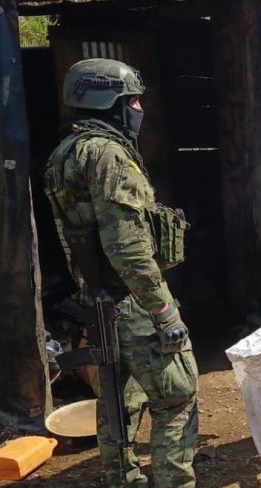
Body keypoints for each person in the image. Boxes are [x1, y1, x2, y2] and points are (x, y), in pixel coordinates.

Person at [44, 58, 198, 488]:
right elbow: (126, 245)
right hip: (132, 299)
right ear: (107, 101)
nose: (138, 107)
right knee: (177, 396)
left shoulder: (65, 154)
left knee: (118, 399)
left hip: (99, 298)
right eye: (132, 99)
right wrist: (163, 310)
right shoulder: (109, 155)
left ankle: (121, 479)